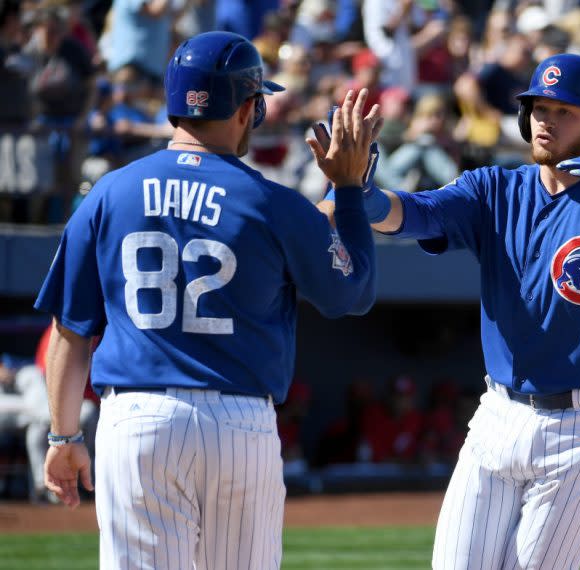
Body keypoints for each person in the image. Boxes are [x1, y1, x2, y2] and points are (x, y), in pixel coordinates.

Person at [315, 53, 580, 569]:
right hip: (499, 413)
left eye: (563, 111)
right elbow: (413, 215)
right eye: (538, 108)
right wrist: (358, 192)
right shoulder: (495, 189)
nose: (545, 120)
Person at [35, 31, 380, 570]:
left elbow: (70, 330)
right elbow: (350, 292)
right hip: (237, 423)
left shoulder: (109, 192)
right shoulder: (271, 201)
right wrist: (349, 193)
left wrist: (63, 434)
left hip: (137, 419)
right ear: (248, 108)